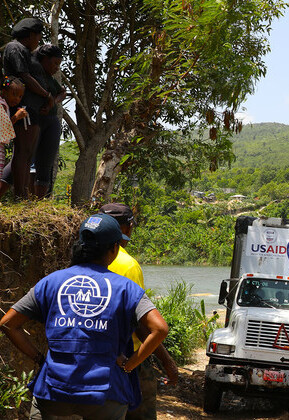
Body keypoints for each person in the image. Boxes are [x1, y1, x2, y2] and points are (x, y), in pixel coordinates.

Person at [0, 213, 169, 419]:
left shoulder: (51, 282)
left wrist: (39, 358)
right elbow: (159, 329)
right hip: (106, 393)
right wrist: (130, 364)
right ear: (114, 249)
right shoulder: (126, 288)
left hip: (54, 391)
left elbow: (8, 323)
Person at [99, 203, 178, 420]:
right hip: (128, 356)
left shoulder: (84, 257)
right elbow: (143, 325)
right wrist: (167, 362)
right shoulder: (127, 264)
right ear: (127, 228)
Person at [1, 18, 51, 199]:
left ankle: (22, 195)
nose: (39, 41)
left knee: (28, 153)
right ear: (30, 35)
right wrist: (46, 95)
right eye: (38, 37)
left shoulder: (26, 51)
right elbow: (24, 75)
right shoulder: (15, 48)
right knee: (23, 151)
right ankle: (20, 195)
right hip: (25, 108)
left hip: (33, 109)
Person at [29, 44, 66, 198]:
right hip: (34, 121)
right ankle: (26, 198)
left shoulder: (50, 79)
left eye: (59, 64)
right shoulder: (32, 76)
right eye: (55, 63)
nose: (57, 68)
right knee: (29, 162)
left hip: (51, 121)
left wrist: (54, 101)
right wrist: (47, 98)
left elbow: (62, 92)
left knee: (45, 164)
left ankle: (39, 202)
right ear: (44, 60)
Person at [0, 76, 28, 175]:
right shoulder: (2, 105)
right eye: (14, 94)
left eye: (20, 96)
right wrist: (16, 117)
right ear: (4, 92)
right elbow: (2, 129)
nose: (17, 99)